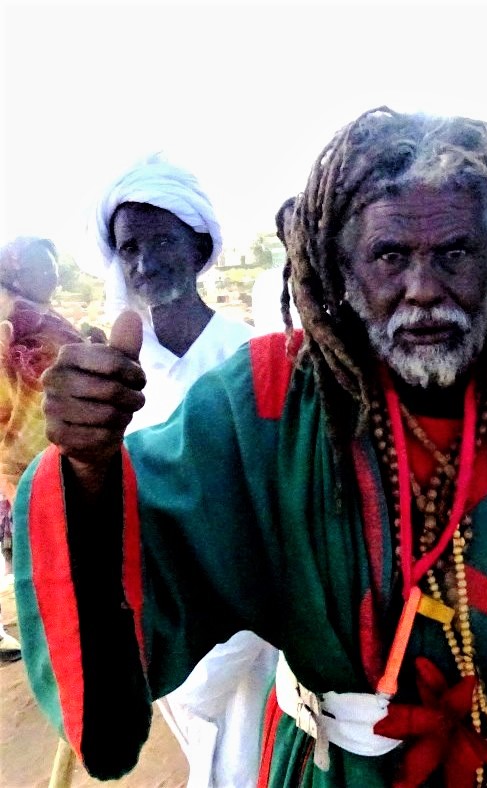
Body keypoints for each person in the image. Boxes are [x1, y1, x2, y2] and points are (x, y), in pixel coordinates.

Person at [14, 109, 487, 787]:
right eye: (390, 255)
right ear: (343, 271)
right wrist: (88, 470)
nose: (423, 289)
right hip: (331, 774)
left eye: (455, 254)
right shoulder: (266, 402)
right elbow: (148, 552)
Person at [90, 156, 278, 787]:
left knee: (247, 762)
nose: (144, 263)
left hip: (250, 618)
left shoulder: (247, 356)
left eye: (163, 240)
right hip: (158, 618)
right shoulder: (112, 373)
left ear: (199, 247)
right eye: (129, 247)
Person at [0, 236, 82, 662]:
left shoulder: (42, 318)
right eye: (41, 266)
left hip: (56, 462)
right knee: (49, 569)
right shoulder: (14, 320)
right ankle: (60, 656)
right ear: (15, 271)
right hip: (31, 470)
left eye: (53, 265)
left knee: (52, 566)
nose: (51, 274)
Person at [251, 196, 301, 335]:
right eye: (292, 231)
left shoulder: (336, 284)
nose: (299, 237)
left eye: (304, 228)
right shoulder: (265, 283)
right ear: (281, 235)